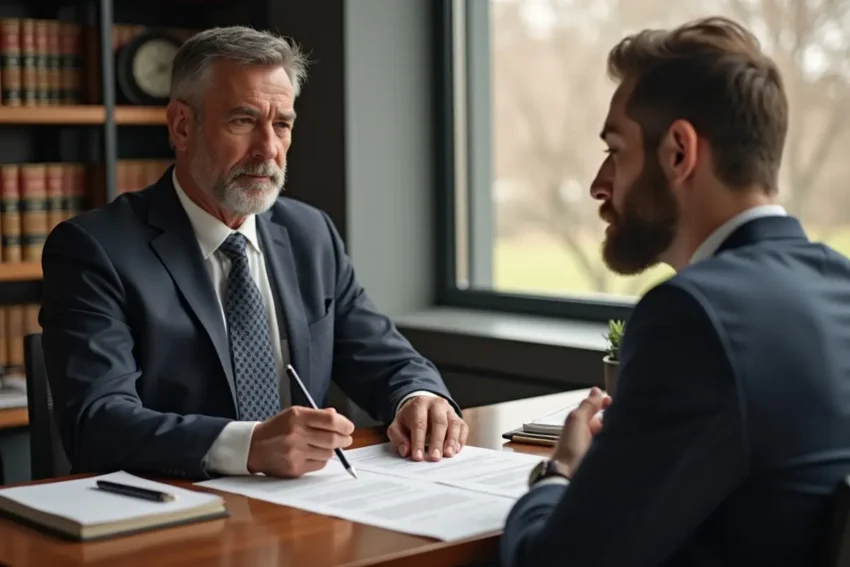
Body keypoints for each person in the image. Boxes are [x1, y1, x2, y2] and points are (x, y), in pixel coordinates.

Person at [39, 26, 468, 481]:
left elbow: (384, 356)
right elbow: (97, 422)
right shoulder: (94, 249)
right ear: (182, 126)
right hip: (176, 513)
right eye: (243, 121)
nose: (269, 150)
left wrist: (418, 397)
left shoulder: (309, 233)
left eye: (281, 124)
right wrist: (247, 446)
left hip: (308, 507)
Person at [500, 16, 850, 567]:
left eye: (615, 150)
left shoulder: (692, 317)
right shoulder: (839, 285)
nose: (598, 184)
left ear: (679, 153)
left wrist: (558, 473)